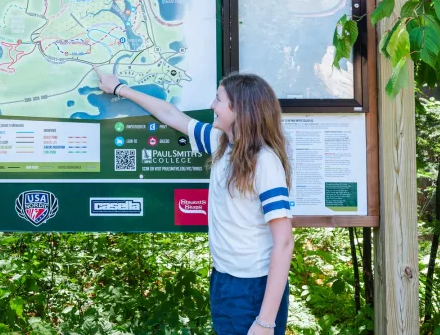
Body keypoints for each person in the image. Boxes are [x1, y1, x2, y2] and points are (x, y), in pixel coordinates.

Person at [94, 69, 294, 335]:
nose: (212, 106)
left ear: (240, 109)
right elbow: (170, 114)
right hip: (223, 278)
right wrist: (120, 88)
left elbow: (284, 241)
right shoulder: (222, 144)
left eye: (218, 100)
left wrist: (266, 321)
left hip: (253, 287)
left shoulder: (265, 162)